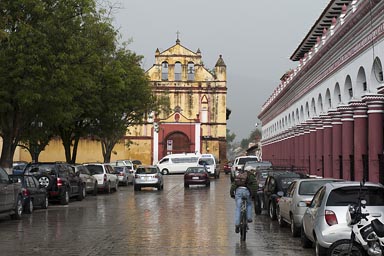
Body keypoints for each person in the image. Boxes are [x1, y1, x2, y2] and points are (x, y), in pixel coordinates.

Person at [230, 166, 254, 233]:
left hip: (238, 192)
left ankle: (237, 224)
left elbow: (233, 185)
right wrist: (253, 195)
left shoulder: (239, 176)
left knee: (238, 208)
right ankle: (249, 218)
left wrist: (232, 193)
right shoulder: (251, 176)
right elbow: (254, 186)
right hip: (247, 192)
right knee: (249, 204)